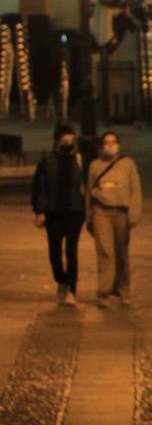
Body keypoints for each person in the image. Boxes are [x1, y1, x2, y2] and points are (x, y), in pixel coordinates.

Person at [86, 131, 142, 308]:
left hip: (122, 212)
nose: (109, 146)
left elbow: (135, 189)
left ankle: (122, 289)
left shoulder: (128, 164)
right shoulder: (95, 166)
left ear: (118, 144)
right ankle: (104, 291)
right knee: (105, 251)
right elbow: (89, 192)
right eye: (106, 142)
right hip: (101, 211)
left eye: (113, 142)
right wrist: (89, 217)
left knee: (121, 253)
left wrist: (134, 214)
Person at [31, 125, 84, 306]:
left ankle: (72, 290)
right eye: (66, 142)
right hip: (53, 214)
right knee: (54, 254)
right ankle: (61, 280)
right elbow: (39, 187)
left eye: (71, 141)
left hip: (74, 213)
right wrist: (39, 211)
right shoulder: (47, 162)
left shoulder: (79, 160)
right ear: (57, 142)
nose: (69, 145)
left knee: (71, 252)